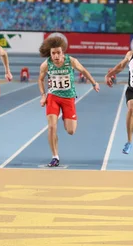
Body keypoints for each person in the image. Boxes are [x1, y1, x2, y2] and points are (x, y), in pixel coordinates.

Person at [38, 35, 99, 167]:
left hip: (68, 98)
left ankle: (65, 117)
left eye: (58, 53)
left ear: (63, 52)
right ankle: (55, 156)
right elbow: (40, 79)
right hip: (53, 97)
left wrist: (94, 83)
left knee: (71, 131)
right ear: (50, 53)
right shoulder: (46, 64)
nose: (56, 56)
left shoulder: (71, 61)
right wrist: (43, 95)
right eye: (53, 53)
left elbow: (84, 70)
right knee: (52, 127)